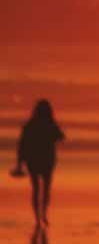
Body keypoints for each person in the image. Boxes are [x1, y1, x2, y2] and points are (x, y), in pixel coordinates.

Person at [15, 99, 65, 234]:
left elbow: (22, 145)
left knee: (36, 189)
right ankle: (44, 215)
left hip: (33, 160)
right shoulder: (50, 124)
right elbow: (61, 137)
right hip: (47, 160)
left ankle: (38, 218)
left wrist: (19, 164)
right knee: (46, 189)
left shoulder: (30, 125)